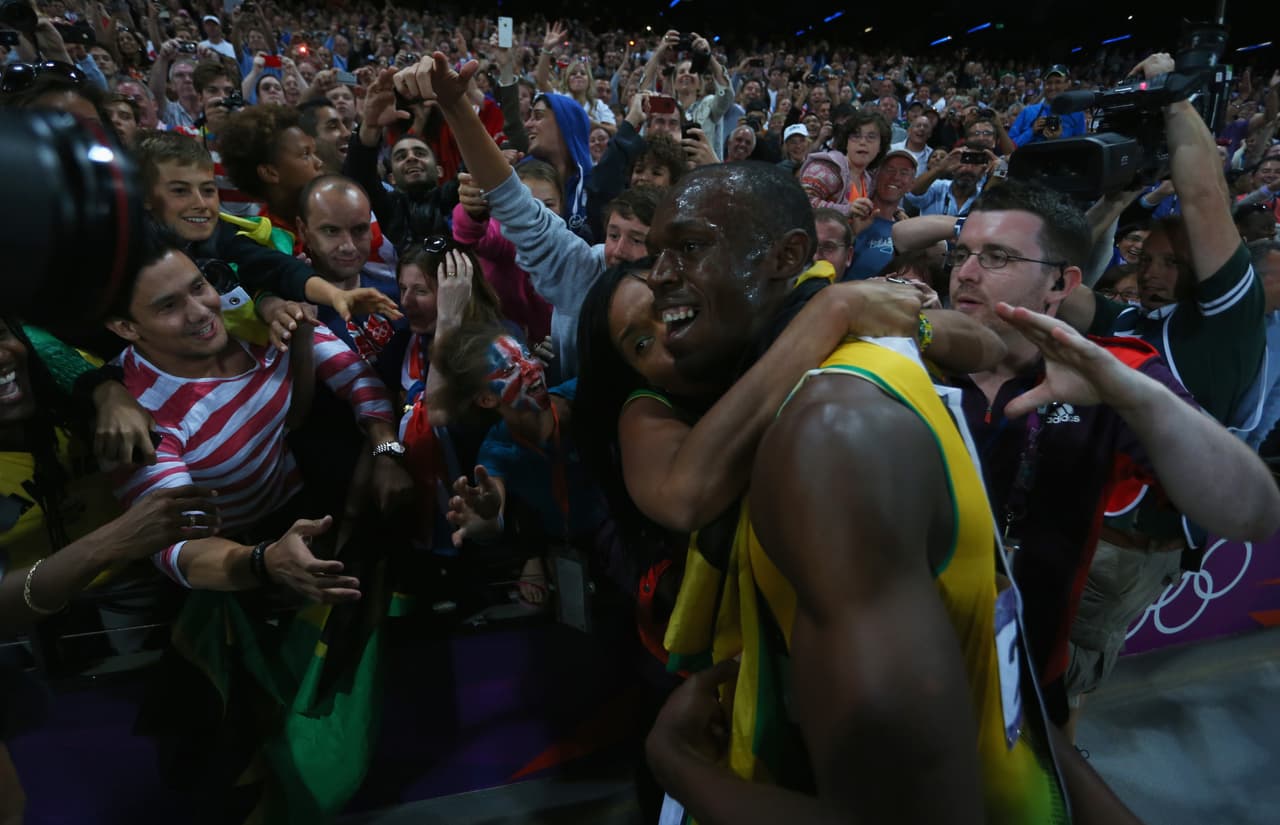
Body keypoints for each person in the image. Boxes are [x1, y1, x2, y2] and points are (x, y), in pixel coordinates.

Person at [635, 161, 1143, 824]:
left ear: (789, 255)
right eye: (656, 255)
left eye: (691, 246)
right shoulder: (835, 370)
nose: (659, 276)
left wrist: (678, 763)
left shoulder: (830, 436)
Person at [944, 180, 1279, 729]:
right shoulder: (908, 351)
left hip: (1022, 686)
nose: (967, 273)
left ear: (1061, 284)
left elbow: (1253, 513)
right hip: (897, 674)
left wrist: (1134, 395)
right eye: (962, 254)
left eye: (997, 256)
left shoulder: (1109, 370)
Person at [345, 68, 459, 249]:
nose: (411, 158)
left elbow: (477, 166)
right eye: (400, 156)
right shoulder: (388, 208)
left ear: (439, 170)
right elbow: (359, 176)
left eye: (420, 153)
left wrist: (455, 103)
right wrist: (371, 127)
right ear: (391, 179)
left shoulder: (457, 198)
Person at [797, 110, 890, 216]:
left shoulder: (868, 179)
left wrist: (897, 212)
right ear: (846, 142)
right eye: (856, 136)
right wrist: (845, 210)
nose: (863, 142)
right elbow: (801, 202)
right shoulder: (827, 168)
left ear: (880, 147)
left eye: (871, 137)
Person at [845, 149, 916, 280]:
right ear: (876, 175)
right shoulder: (854, 212)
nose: (896, 177)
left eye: (904, 172)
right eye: (889, 170)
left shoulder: (906, 230)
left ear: (911, 185)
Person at [1008, 65, 1087, 146]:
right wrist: (1031, 131)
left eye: (1058, 82)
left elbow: (1081, 148)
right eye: (1049, 82)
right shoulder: (1028, 112)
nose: (1052, 87)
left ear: (1067, 84)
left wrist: (1059, 138)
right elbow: (1009, 146)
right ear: (1044, 85)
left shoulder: (1077, 114)